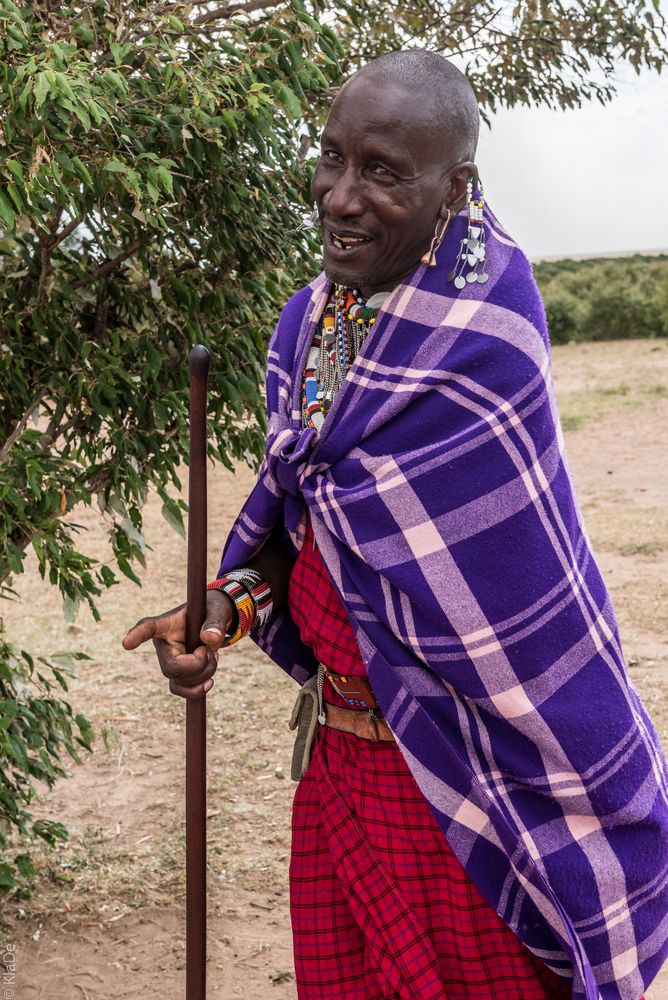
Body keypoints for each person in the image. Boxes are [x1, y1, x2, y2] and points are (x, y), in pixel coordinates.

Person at [123, 51, 668, 1000]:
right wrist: (223, 609)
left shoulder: (485, 340)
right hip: (339, 771)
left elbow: (506, 601)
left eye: (383, 171)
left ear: (456, 187)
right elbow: (305, 535)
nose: (340, 196)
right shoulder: (306, 329)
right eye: (331, 159)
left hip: (467, 782)